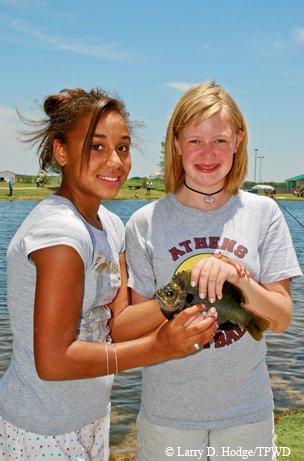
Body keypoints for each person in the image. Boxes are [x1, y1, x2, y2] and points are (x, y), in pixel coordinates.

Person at [0, 87, 219, 461]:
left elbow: (117, 324)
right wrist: (159, 348)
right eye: (97, 146)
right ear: (61, 152)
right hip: (41, 427)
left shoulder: (110, 226)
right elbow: (52, 361)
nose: (115, 161)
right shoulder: (60, 234)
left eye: (123, 147)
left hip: (91, 415)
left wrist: (187, 289)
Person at [125, 81, 302, 461]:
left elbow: (283, 317)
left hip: (246, 413)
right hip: (167, 414)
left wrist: (239, 280)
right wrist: (179, 301)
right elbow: (126, 327)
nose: (208, 154)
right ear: (175, 143)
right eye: (194, 141)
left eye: (220, 140)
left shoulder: (263, 213)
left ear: (239, 141)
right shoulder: (144, 222)